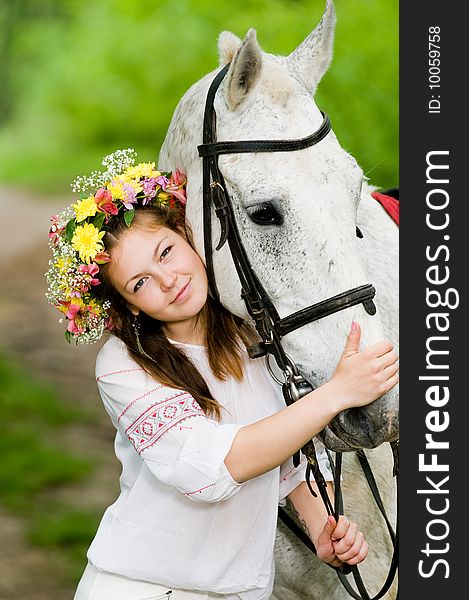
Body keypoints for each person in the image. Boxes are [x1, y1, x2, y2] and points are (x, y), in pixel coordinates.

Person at [46, 149, 399, 600]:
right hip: (146, 587)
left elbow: (285, 460)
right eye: (140, 282)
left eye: (167, 252)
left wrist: (320, 528)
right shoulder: (124, 364)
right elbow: (213, 470)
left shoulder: (247, 338)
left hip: (240, 592)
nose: (168, 279)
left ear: (186, 234)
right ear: (130, 305)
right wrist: (336, 394)